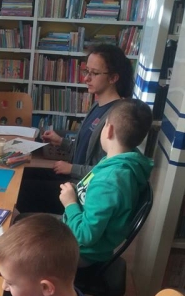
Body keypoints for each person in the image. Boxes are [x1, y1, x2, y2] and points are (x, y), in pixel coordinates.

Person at [17, 44, 134, 214]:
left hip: (81, 191)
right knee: (20, 176)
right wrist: (61, 142)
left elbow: (109, 171)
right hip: (73, 177)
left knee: (20, 191)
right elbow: (85, 150)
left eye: (94, 73)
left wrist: (72, 168)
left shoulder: (116, 117)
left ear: (113, 78)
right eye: (86, 71)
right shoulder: (97, 105)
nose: (86, 78)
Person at [60, 98, 154, 265]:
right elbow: (95, 192)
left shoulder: (109, 181)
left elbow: (85, 235)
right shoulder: (117, 163)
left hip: (80, 251)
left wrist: (70, 203)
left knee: (19, 240)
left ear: (108, 130)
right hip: (74, 232)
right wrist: (77, 190)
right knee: (23, 223)